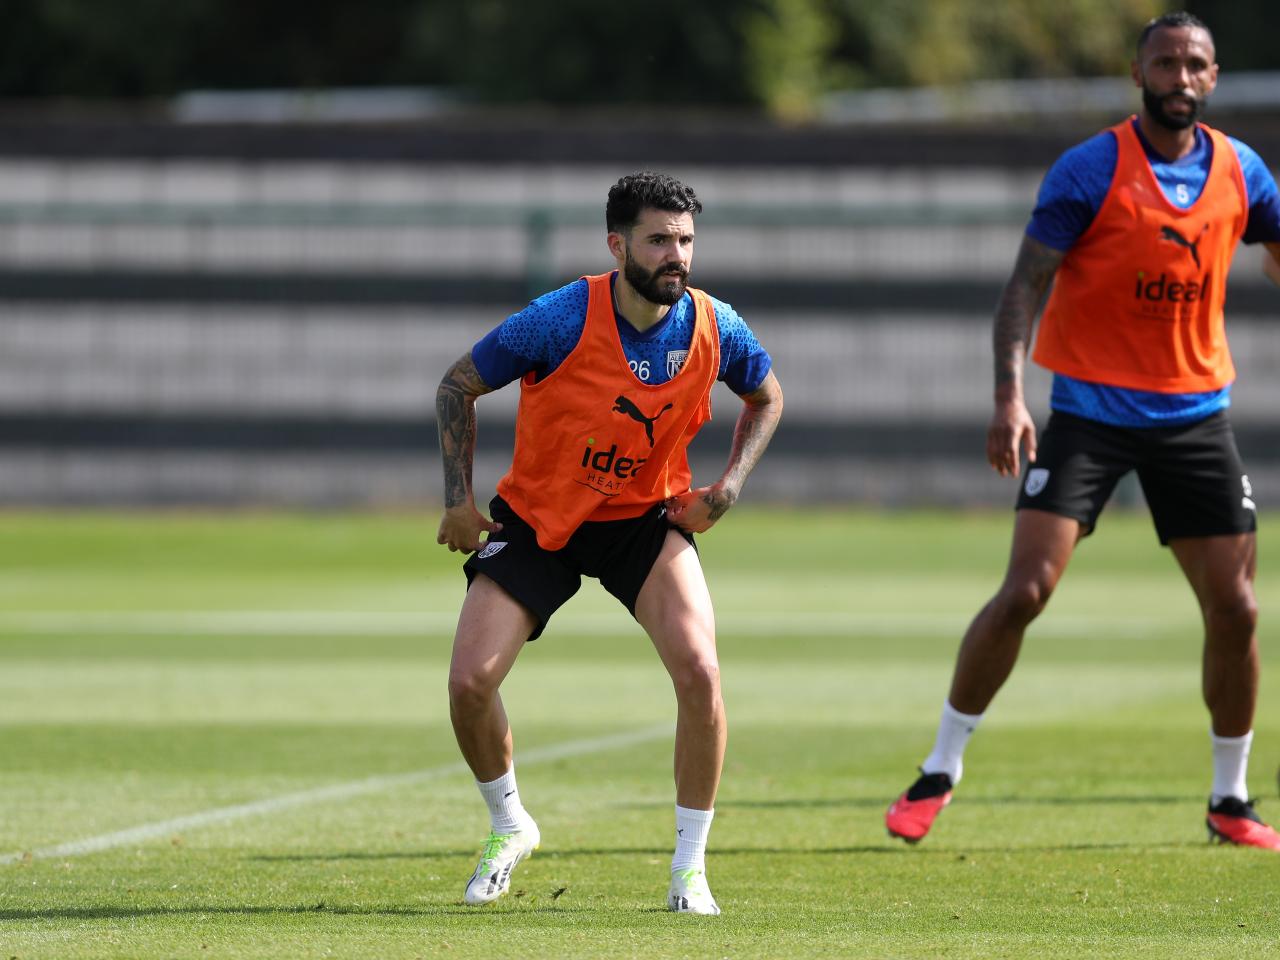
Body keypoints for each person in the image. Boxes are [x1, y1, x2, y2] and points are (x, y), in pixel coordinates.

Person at [886, 12, 1280, 850]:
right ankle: (939, 768)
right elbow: (1023, 289)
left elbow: (1275, 243)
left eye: (1195, 64)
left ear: (1214, 77)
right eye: (1165, 63)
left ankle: (1231, 797)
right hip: (1090, 417)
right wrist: (1009, 399)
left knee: (1238, 608)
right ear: (1138, 73)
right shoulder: (1091, 169)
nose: (1180, 77)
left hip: (1195, 417)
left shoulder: (1243, 172)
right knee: (1026, 591)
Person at [435, 172, 783, 913]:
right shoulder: (559, 318)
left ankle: (689, 869)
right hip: (541, 523)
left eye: (685, 240)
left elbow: (767, 396)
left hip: (643, 523)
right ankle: (510, 824)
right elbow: (456, 385)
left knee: (701, 673)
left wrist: (727, 488)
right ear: (617, 246)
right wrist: (458, 501)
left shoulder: (718, 326)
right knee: (469, 685)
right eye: (658, 240)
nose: (676, 255)